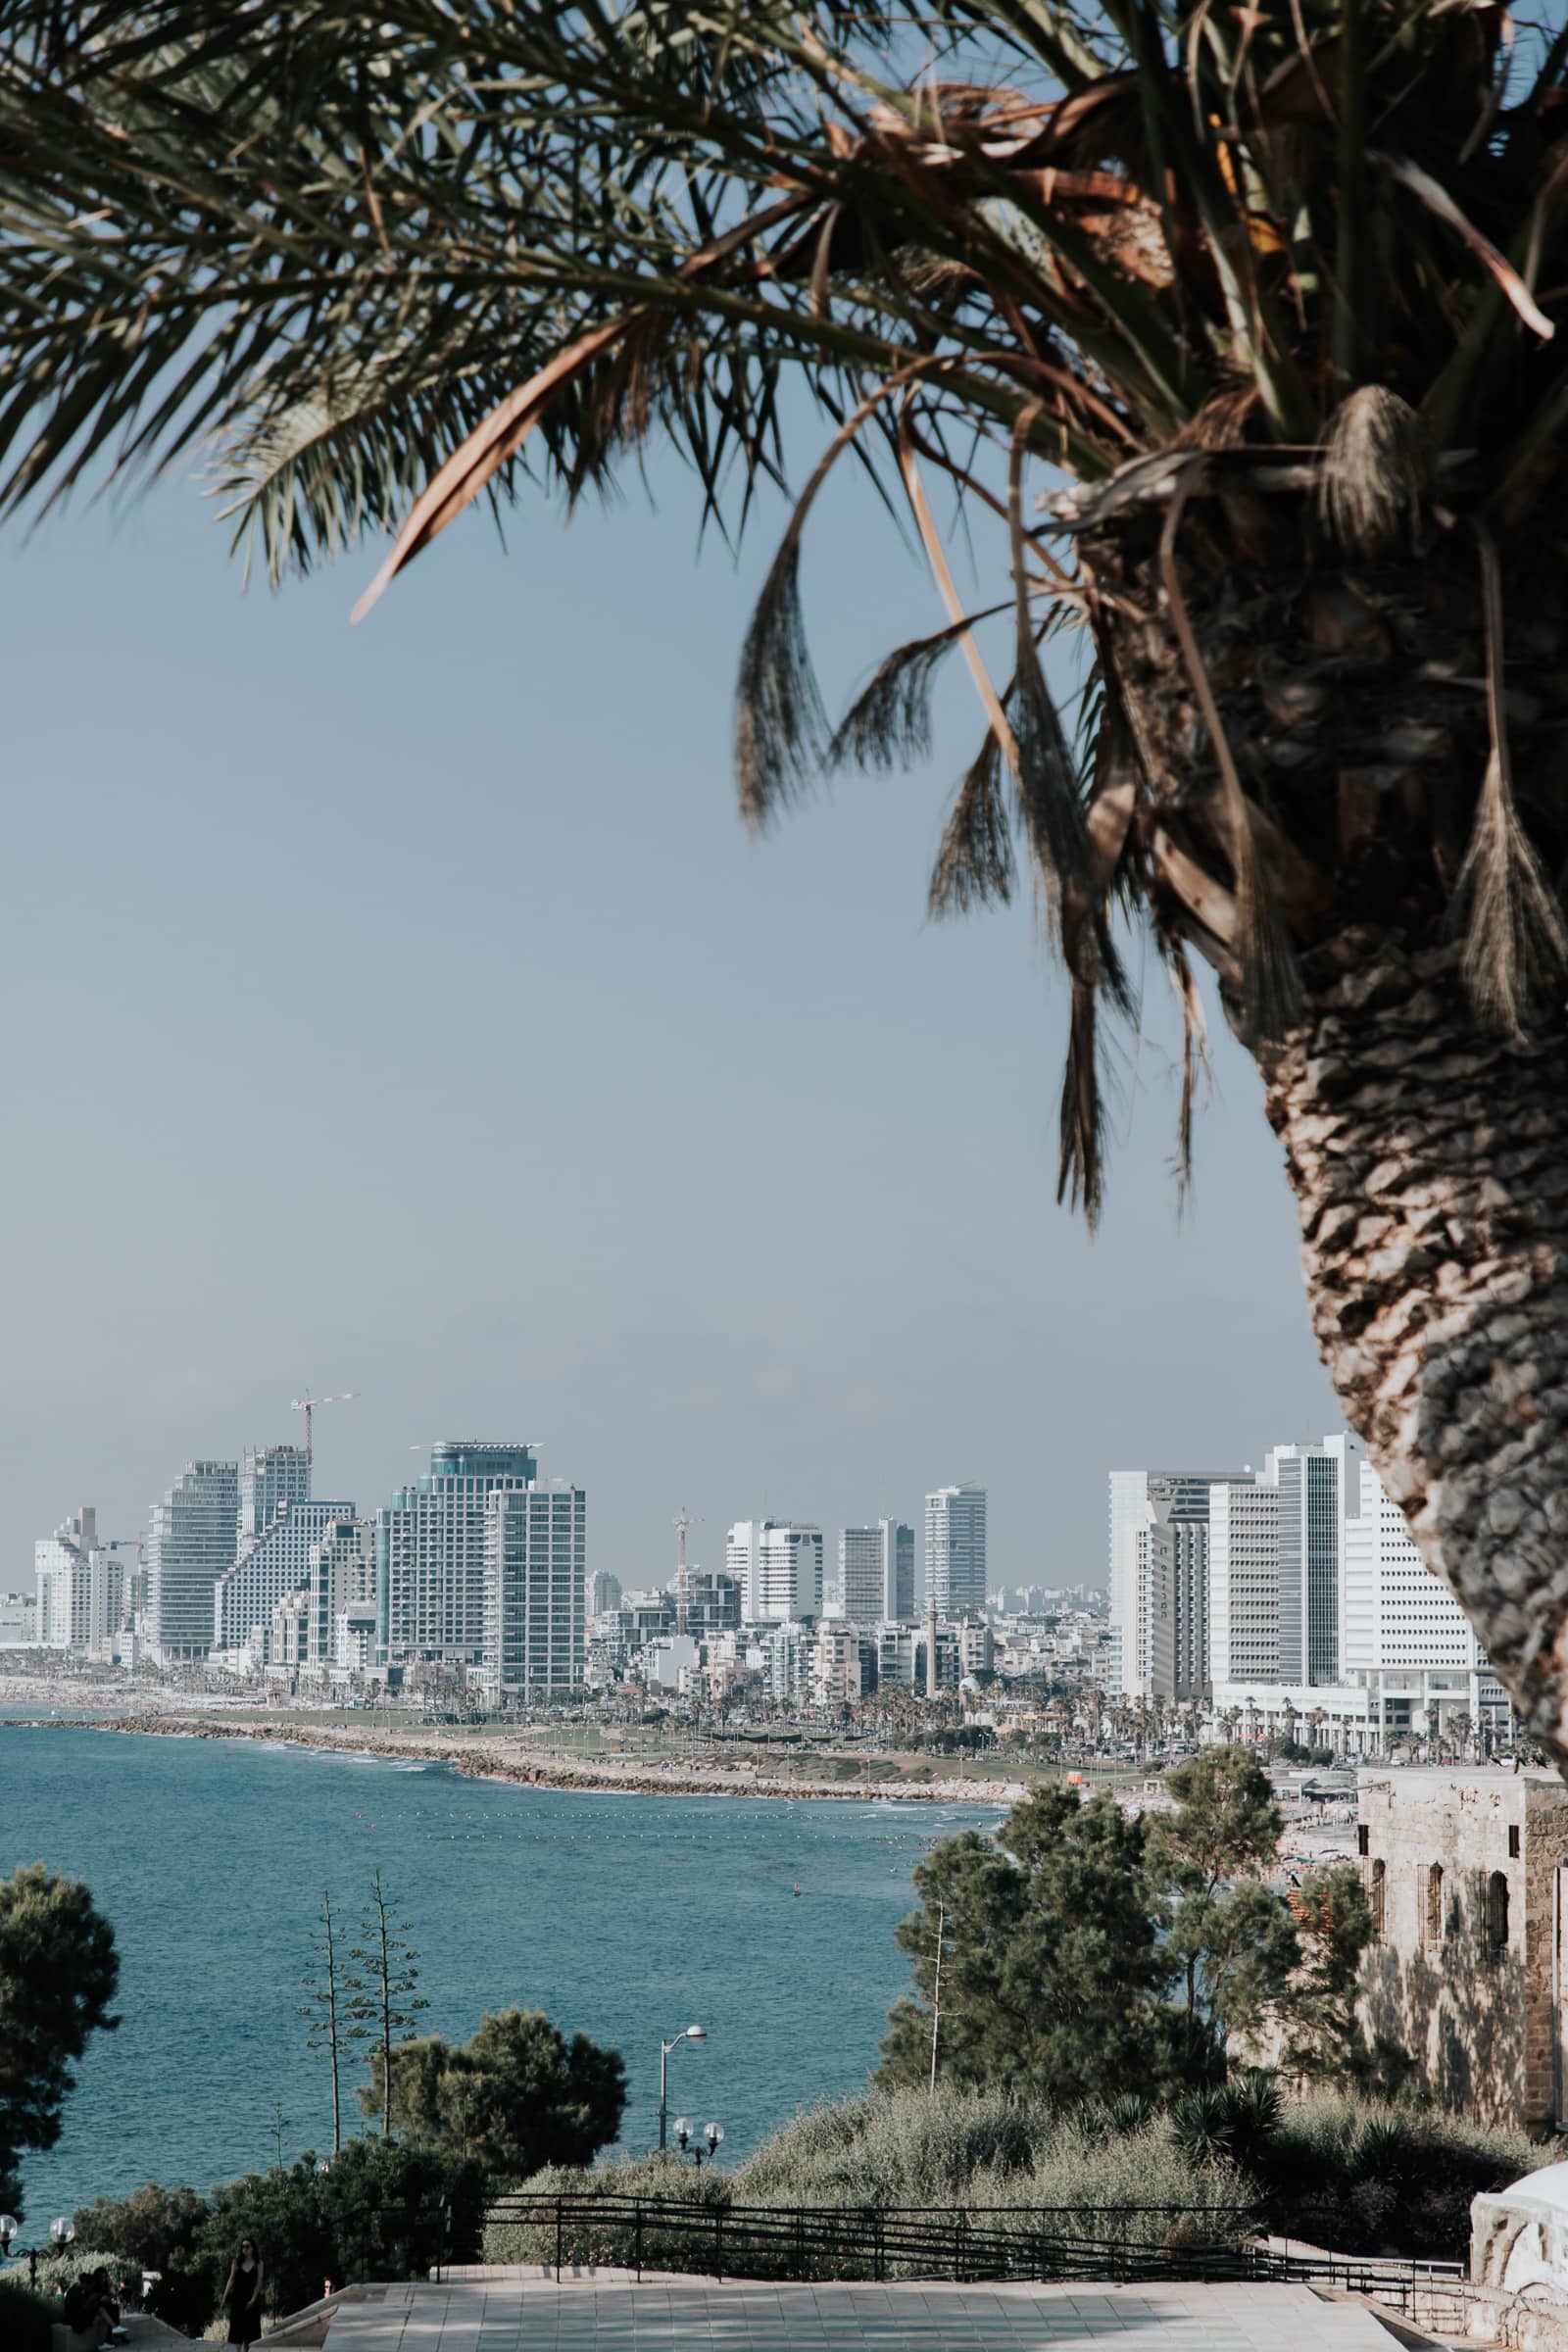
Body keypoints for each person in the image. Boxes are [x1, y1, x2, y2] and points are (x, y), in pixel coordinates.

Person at [222, 2239, 266, 2347]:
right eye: (243, 2247)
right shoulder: (236, 2262)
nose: (244, 2249)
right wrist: (224, 2298)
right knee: (236, 2333)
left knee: (251, 2334)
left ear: (252, 2248)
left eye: (247, 2246)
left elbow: (259, 2282)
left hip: (251, 2300)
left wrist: (253, 2299)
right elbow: (231, 2279)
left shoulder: (259, 2263)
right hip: (237, 2299)